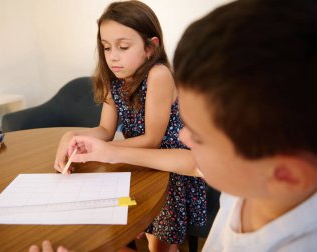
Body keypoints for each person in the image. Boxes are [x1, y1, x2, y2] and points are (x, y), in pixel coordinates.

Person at [61, 0, 317, 251]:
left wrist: (113, 151)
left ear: (286, 175)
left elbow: (178, 154)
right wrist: (94, 144)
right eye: (107, 48)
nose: (182, 135)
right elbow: (191, 161)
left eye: (200, 136)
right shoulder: (246, 190)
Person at [54, 1, 206, 251]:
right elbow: (104, 130)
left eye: (123, 47)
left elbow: (152, 140)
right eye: (106, 47)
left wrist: (106, 151)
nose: (113, 56)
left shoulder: (159, 75)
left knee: (159, 246)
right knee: (127, 231)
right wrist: (72, 135)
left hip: (168, 169)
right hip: (136, 162)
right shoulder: (115, 80)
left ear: (150, 47)